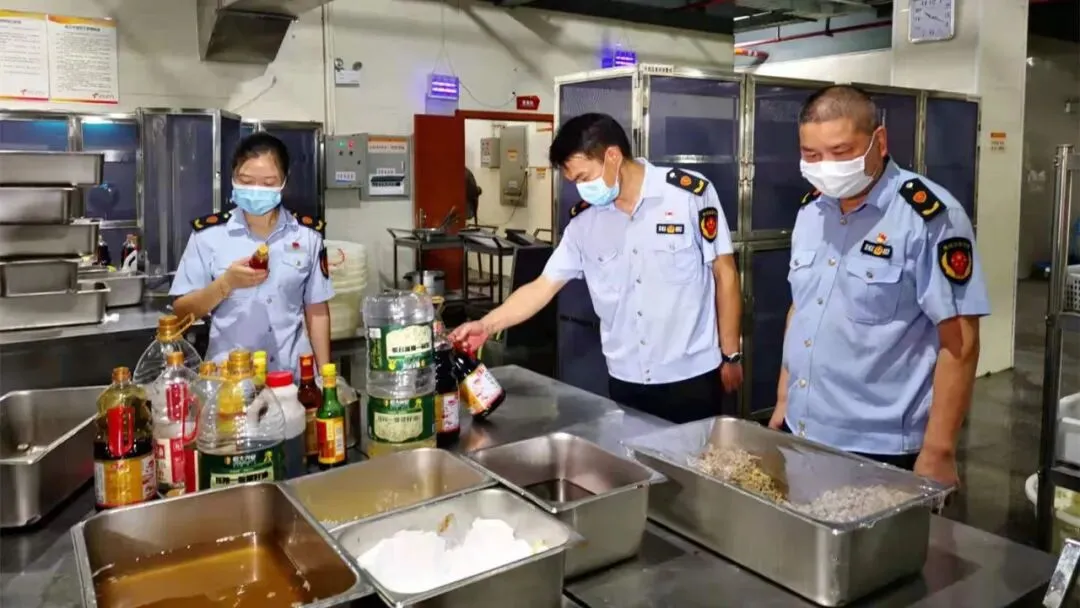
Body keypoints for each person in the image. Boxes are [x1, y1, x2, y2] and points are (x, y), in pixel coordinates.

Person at [450, 113, 743, 424]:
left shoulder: (688, 195)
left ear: (612, 156)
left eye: (584, 178)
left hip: (692, 375)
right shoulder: (585, 222)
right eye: (574, 182)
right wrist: (487, 325)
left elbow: (725, 274)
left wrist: (731, 355)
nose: (581, 189)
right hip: (627, 379)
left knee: (697, 454)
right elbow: (542, 286)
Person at [770, 85, 989, 486]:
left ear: (880, 141)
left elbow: (960, 341)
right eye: (812, 155)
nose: (826, 166)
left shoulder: (930, 218)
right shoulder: (812, 212)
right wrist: (785, 399)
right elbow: (802, 308)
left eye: (841, 152)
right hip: (802, 426)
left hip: (881, 446)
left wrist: (939, 450)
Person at [169, 132, 335, 377]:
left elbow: (317, 310)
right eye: (246, 181)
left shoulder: (307, 235)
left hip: (292, 376)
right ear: (233, 177)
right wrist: (225, 284)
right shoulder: (208, 235)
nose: (257, 190)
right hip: (231, 377)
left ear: (284, 181)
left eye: (268, 183)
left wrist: (325, 377)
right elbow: (182, 312)